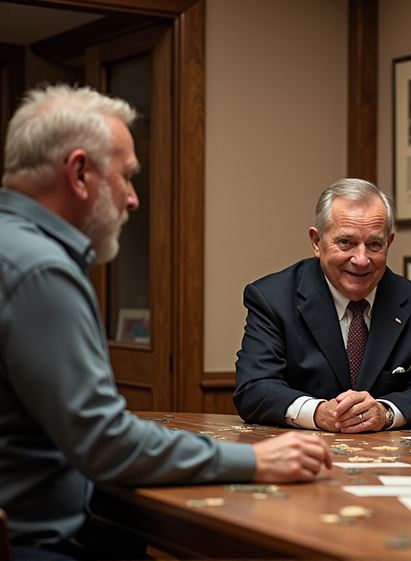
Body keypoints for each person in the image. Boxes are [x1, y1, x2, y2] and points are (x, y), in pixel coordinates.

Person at [0, 85, 333, 560]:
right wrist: (254, 459)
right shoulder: (42, 271)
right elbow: (104, 441)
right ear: (79, 173)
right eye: (127, 177)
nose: (133, 200)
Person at [234, 178, 411, 433]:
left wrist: (384, 412)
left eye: (374, 245)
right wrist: (319, 412)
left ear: (389, 242)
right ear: (317, 242)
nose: (361, 259)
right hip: (299, 456)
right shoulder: (272, 298)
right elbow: (254, 389)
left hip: (387, 459)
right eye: (346, 242)